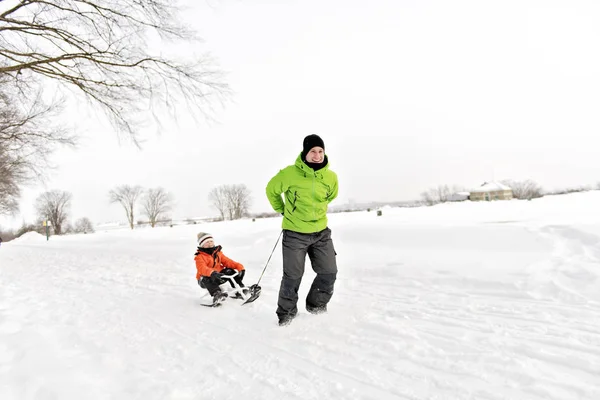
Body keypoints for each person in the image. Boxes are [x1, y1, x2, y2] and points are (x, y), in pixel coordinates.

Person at [266, 134, 339, 326]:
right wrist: (282, 209)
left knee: (329, 272)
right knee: (293, 276)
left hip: (321, 233)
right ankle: (286, 315)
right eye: (313, 151)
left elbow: (330, 197)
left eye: (320, 151)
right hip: (295, 234)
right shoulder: (289, 173)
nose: (317, 155)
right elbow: (271, 190)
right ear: (305, 153)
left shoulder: (331, 177)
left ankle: (316, 307)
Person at [194, 232, 246, 304]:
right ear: (202, 245)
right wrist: (211, 273)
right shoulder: (199, 257)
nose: (210, 243)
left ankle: (240, 289)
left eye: (211, 241)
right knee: (205, 277)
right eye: (207, 242)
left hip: (218, 276)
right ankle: (217, 294)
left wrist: (240, 267)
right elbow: (202, 268)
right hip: (205, 280)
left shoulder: (218, 253)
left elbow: (228, 262)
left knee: (229, 270)